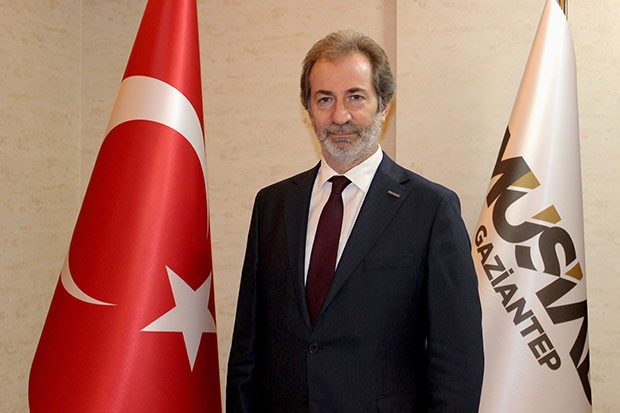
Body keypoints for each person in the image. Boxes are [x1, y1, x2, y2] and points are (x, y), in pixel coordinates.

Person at [226, 30, 484, 412]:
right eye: (324, 99)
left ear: (384, 106)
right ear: (308, 109)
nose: (340, 116)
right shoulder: (273, 206)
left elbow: (457, 365)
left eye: (356, 97)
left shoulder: (431, 210)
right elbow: (246, 353)